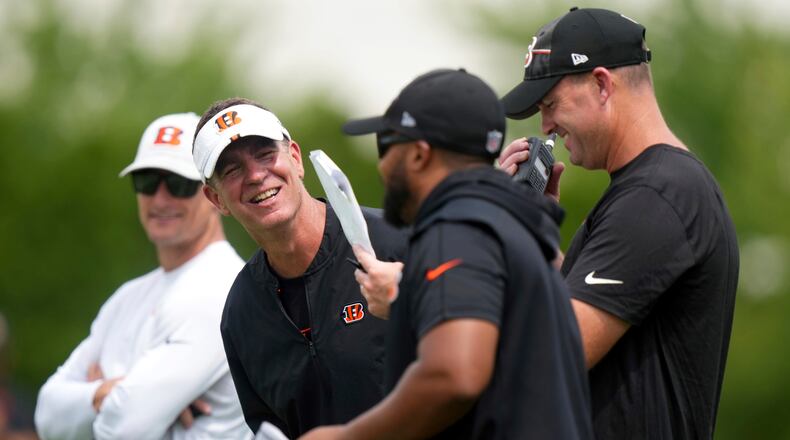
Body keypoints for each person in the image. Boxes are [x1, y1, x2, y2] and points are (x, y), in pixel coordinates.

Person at [302, 68, 592, 439]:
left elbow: (454, 375)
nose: (382, 165)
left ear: (420, 155)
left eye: (386, 145)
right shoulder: (516, 228)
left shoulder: (456, 229)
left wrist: (347, 437)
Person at [498, 7, 740, 439]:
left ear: (602, 84)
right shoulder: (648, 190)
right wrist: (529, 235)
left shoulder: (658, 194)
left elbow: (550, 351)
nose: (546, 125)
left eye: (550, 104)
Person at [192, 98, 406, 438]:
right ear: (216, 199)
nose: (256, 176)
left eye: (265, 154)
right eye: (232, 170)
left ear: (294, 157)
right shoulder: (241, 312)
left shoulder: (397, 244)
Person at [35, 113, 250, 439]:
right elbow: (47, 415)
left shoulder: (225, 288)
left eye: (179, 183)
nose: (161, 199)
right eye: (147, 181)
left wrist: (99, 396)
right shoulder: (128, 297)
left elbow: (124, 428)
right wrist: (105, 394)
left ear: (212, 194)